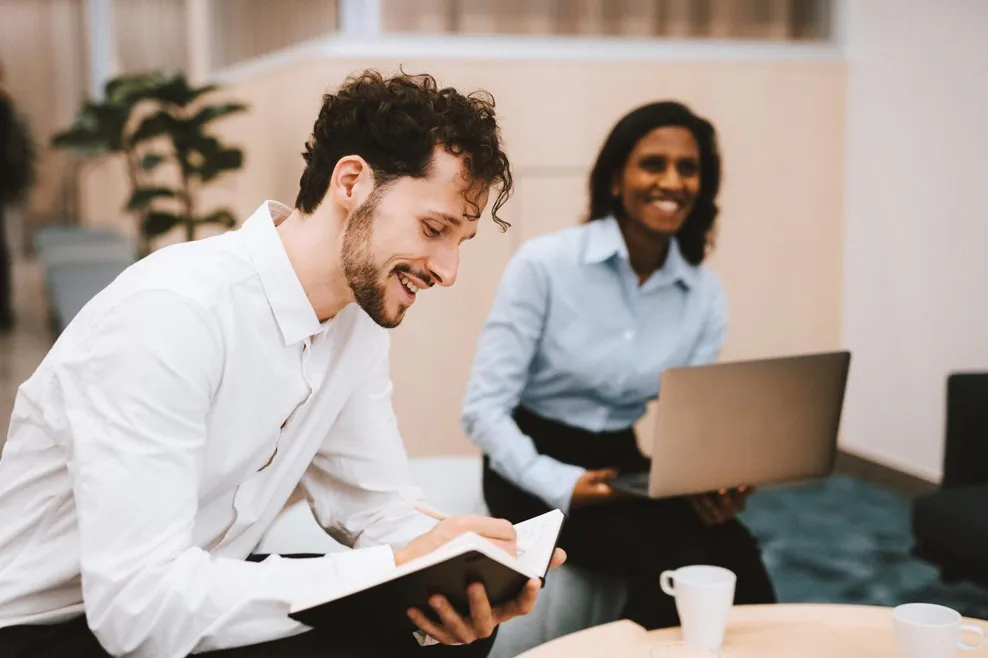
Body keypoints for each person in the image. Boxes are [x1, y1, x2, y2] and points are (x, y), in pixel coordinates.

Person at [0, 69, 564, 658]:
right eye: (433, 229)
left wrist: (457, 565)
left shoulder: (355, 322)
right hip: (53, 626)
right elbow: (138, 611)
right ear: (351, 182)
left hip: (189, 590)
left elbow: (374, 503)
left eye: (459, 243)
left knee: (438, 627)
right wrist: (392, 568)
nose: (447, 271)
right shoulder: (172, 314)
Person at [461, 101, 776, 631]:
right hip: (531, 460)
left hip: (621, 462)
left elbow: (692, 424)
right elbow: (483, 410)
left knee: (737, 553)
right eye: (653, 164)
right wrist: (560, 481)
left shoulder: (703, 293)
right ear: (614, 179)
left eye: (689, 168)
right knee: (668, 558)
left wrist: (711, 482)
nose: (672, 181)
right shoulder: (545, 265)